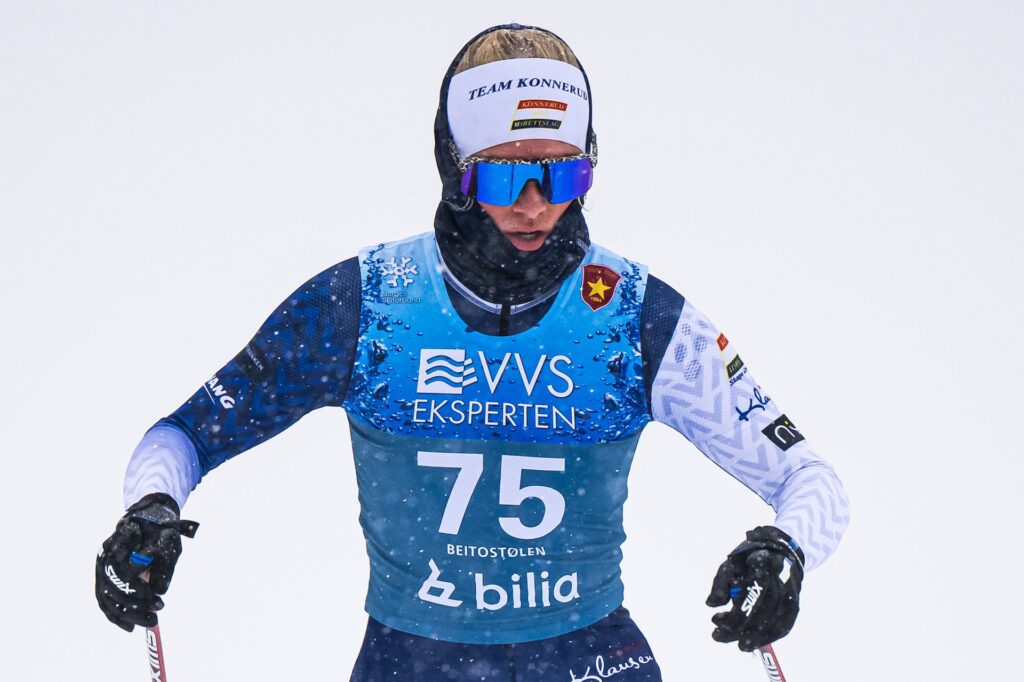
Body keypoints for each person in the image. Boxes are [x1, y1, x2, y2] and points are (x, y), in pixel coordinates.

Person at [95, 24, 850, 681]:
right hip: (413, 664)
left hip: (589, 664)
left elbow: (808, 477)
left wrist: (784, 553)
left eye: (563, 173)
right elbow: (184, 436)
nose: (536, 204)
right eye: (505, 174)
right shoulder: (370, 303)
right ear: (454, 166)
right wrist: (151, 510)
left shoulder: (632, 313)